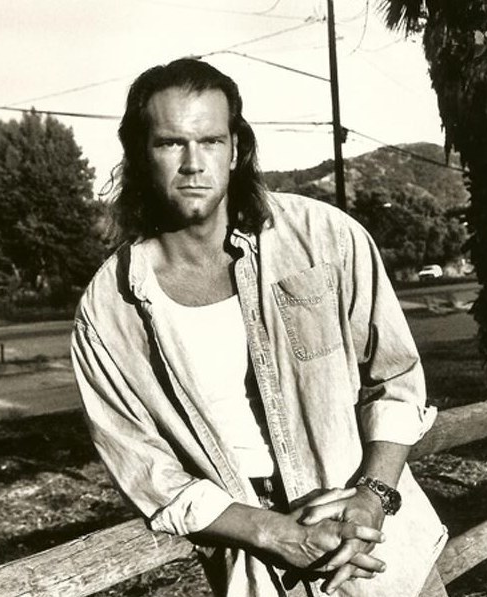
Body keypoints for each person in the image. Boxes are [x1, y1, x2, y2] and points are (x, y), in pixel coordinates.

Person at [71, 58, 448, 597]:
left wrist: (372, 496)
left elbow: (396, 379)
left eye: (210, 141)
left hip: (377, 547)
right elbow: (145, 468)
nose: (193, 164)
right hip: (254, 560)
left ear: (235, 149)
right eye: (170, 143)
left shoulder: (325, 237)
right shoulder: (109, 309)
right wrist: (273, 533)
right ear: (139, 153)